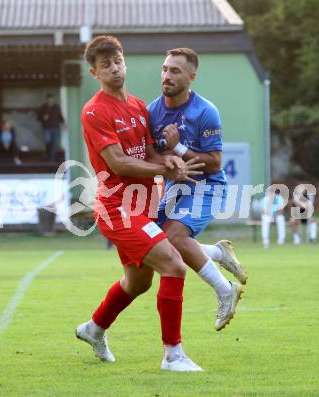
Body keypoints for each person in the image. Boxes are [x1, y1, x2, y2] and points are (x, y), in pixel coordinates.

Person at [76, 35, 205, 372]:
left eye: (117, 61)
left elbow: (147, 153)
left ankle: (94, 329)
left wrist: (171, 160)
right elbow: (118, 163)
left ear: (125, 61)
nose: (115, 68)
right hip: (117, 208)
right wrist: (165, 168)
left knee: (138, 283)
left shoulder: (137, 106)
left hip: (143, 205)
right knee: (174, 265)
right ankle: (173, 354)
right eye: (106, 65)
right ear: (94, 72)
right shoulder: (94, 111)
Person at [147, 48, 246, 332]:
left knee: (174, 237)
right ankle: (217, 254)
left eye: (175, 71)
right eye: (165, 69)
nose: (167, 76)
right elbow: (151, 154)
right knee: (158, 242)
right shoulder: (152, 111)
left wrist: (178, 147)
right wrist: (168, 161)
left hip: (207, 186)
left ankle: (225, 289)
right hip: (174, 188)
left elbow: (215, 164)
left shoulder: (205, 111)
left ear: (191, 77)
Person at [37, 93, 65, 161]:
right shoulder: (43, 108)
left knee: (54, 143)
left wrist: (64, 124)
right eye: (49, 100)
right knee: (47, 141)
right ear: (46, 100)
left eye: (51, 100)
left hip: (55, 127)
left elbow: (60, 117)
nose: (50, 101)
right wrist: (43, 118)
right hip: (46, 128)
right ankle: (47, 154)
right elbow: (38, 118)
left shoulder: (56, 107)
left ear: (53, 100)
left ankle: (51, 159)